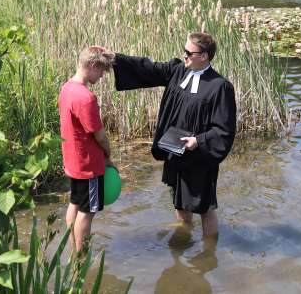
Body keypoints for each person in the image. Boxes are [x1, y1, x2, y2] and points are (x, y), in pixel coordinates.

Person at [109, 32, 237, 238]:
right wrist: (116, 58)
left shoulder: (220, 87)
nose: (184, 55)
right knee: (178, 198)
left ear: (204, 56)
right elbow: (149, 68)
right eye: (184, 51)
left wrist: (199, 141)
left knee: (204, 207)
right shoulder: (178, 71)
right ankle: (184, 237)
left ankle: (208, 254)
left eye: (188, 52)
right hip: (174, 150)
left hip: (199, 157)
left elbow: (224, 130)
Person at [59, 46, 115, 252]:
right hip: (89, 165)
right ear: (92, 66)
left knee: (74, 203)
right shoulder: (86, 98)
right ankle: (81, 258)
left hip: (72, 161)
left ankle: (73, 250)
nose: (102, 76)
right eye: (101, 71)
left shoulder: (66, 88)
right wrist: (108, 154)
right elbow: (99, 135)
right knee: (88, 211)